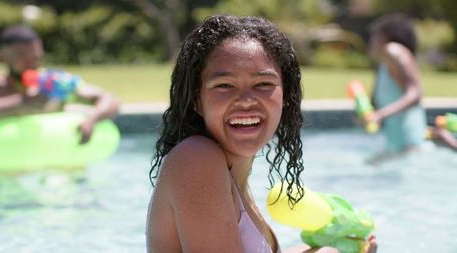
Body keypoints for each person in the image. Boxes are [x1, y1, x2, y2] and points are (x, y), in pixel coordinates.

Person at [146, 15, 377, 253]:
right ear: (196, 99)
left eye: (263, 84)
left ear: (285, 96)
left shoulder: (232, 175)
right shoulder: (195, 159)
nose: (246, 101)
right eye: (224, 85)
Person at [0, 24, 119, 144]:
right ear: (2, 58)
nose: (31, 63)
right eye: (22, 56)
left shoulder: (55, 81)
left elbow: (110, 100)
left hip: (56, 161)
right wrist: (20, 103)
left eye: (36, 57)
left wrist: (92, 119)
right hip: (12, 165)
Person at [366, 13, 428, 154]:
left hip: (410, 142)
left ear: (385, 36)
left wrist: (381, 114)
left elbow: (415, 94)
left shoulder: (393, 50)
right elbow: (374, 104)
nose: (371, 40)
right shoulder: (383, 64)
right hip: (397, 144)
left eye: (374, 35)